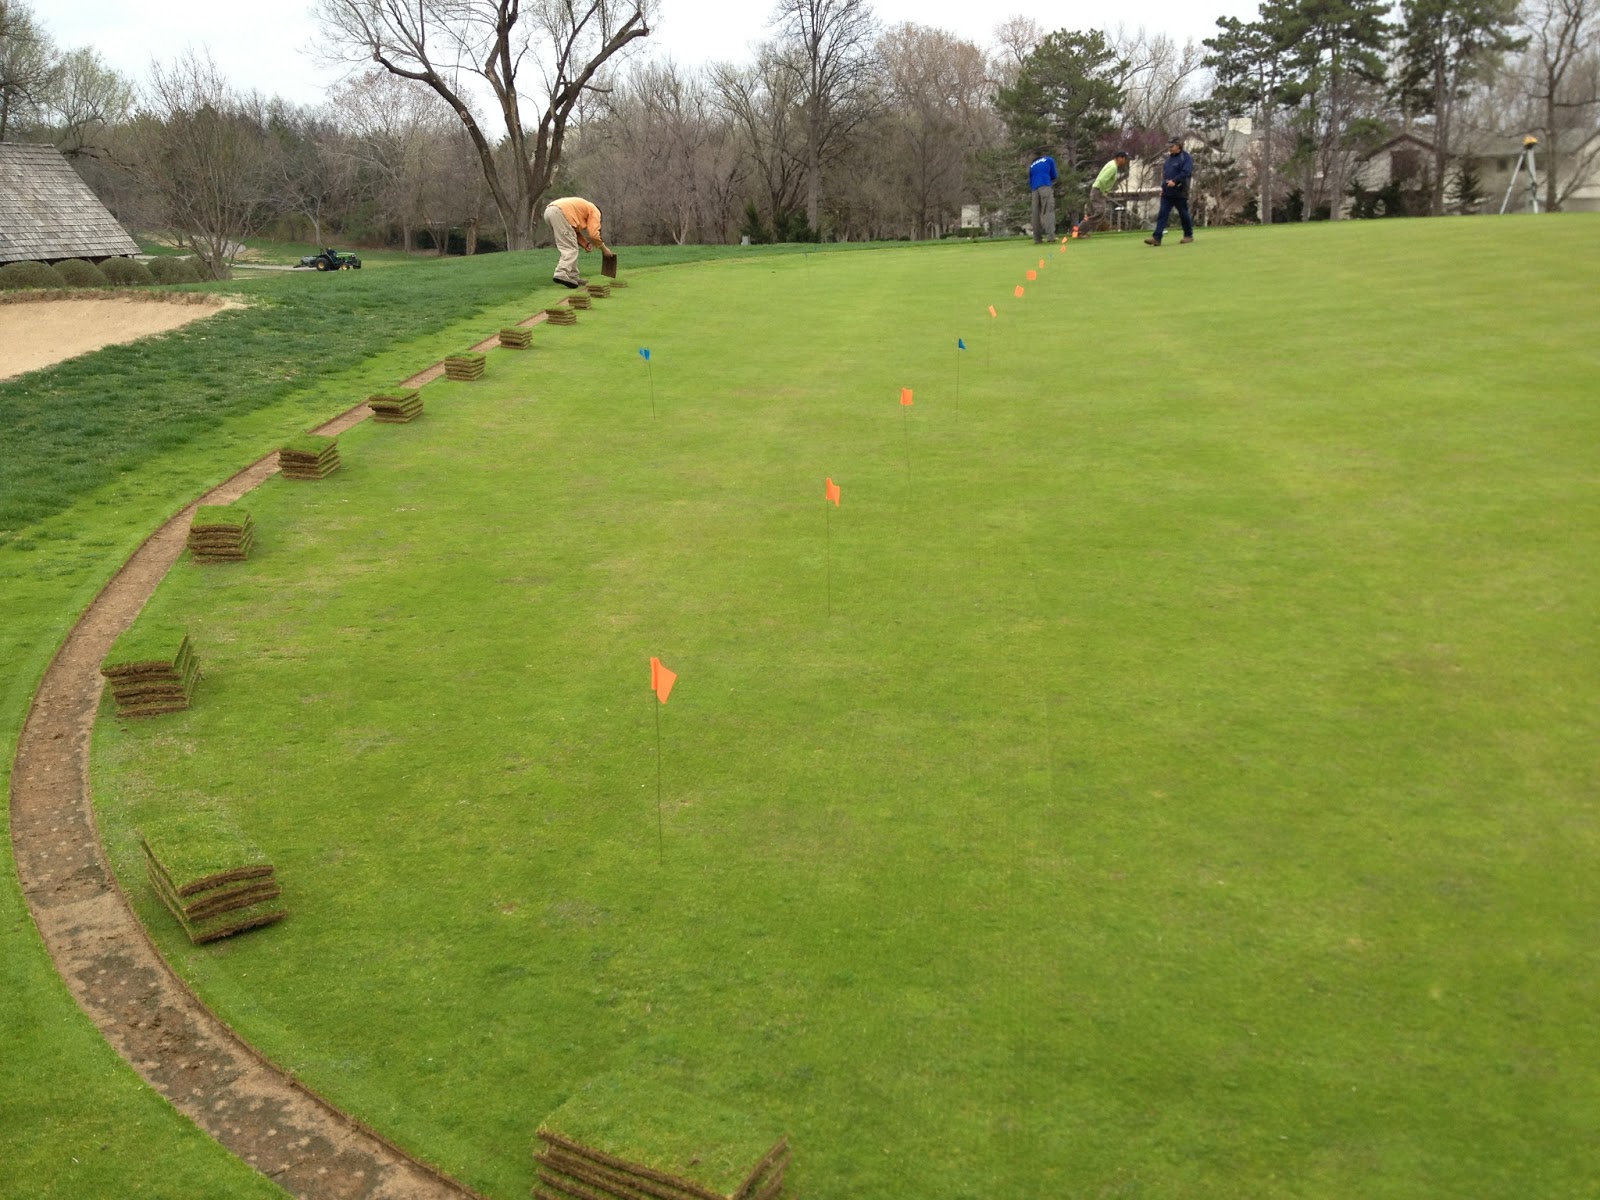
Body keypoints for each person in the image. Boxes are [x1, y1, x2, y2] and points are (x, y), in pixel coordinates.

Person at [543, 196, 613, 287]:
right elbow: (594, 235)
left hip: (550, 211)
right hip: (559, 212)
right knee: (570, 248)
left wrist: (585, 243)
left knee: (572, 245)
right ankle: (561, 272)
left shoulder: (581, 210)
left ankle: (573, 276)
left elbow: (573, 232)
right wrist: (604, 249)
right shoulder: (595, 212)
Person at [1145, 138, 1195, 246]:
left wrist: (1175, 181)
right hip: (1167, 193)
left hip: (1180, 191)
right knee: (1162, 214)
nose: (1169, 148)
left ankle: (1188, 235)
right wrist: (1163, 188)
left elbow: (1186, 172)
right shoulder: (1169, 159)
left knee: (1183, 214)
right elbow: (1165, 174)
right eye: (1169, 146)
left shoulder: (1186, 158)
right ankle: (1157, 238)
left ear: (1178, 146)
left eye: (1171, 146)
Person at [1077, 150, 1130, 237]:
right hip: (1098, 191)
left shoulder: (1112, 165)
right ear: (1119, 158)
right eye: (1125, 159)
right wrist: (1103, 191)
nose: (1125, 161)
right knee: (1100, 212)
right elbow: (1102, 180)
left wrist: (1105, 191)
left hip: (1098, 191)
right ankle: (1080, 230)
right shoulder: (1112, 167)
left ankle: (1081, 230)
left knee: (1100, 213)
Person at [1028, 151, 1058, 243]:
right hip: (1045, 185)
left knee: (1035, 212)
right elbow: (1054, 175)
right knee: (1048, 210)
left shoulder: (1032, 165)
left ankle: (1037, 238)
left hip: (1034, 189)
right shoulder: (1049, 160)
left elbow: (1030, 180)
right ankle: (1051, 237)